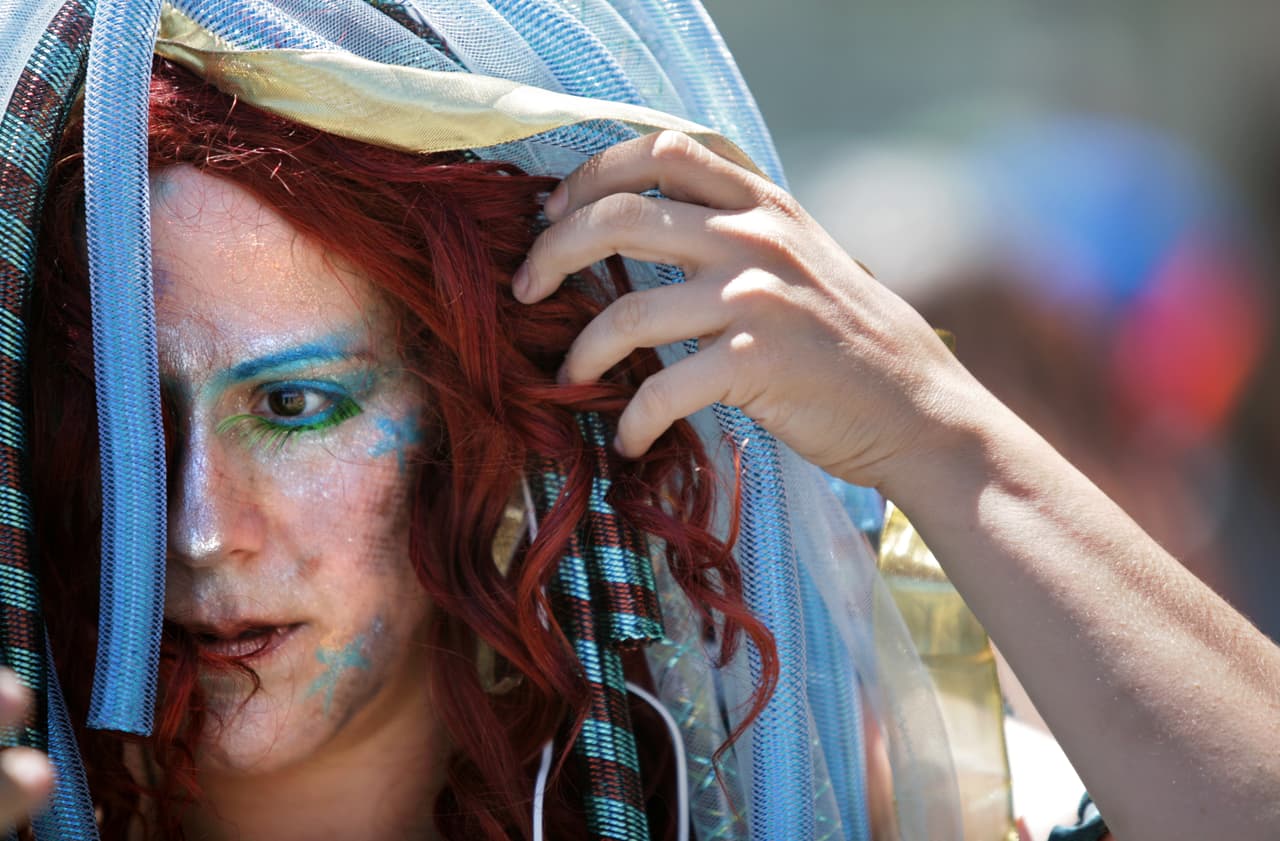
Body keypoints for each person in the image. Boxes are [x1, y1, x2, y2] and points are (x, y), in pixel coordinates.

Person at [1, 2, 1278, 840]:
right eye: (126, 413)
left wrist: (938, 436)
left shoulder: (783, 799)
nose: (199, 529)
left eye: (291, 405)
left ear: (487, 423)